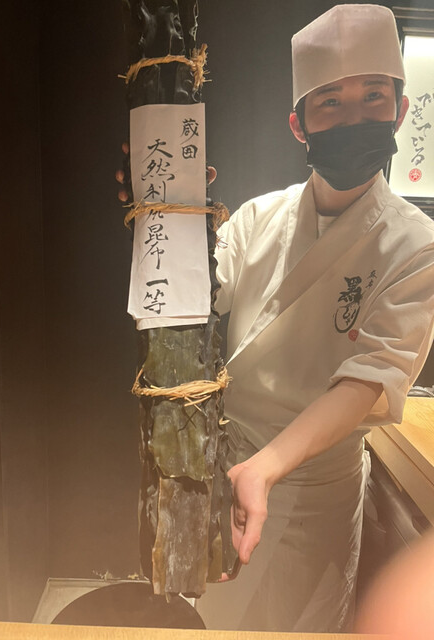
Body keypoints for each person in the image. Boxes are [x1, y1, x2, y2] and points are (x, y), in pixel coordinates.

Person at [193, 3, 434, 634]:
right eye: (330, 102)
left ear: (400, 111)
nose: (354, 116)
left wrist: (266, 467)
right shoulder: (255, 218)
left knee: (305, 625)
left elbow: (370, 378)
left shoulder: (417, 245)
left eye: (373, 96)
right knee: (218, 624)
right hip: (231, 468)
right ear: (299, 125)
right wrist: (163, 218)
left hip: (315, 489)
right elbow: (197, 300)